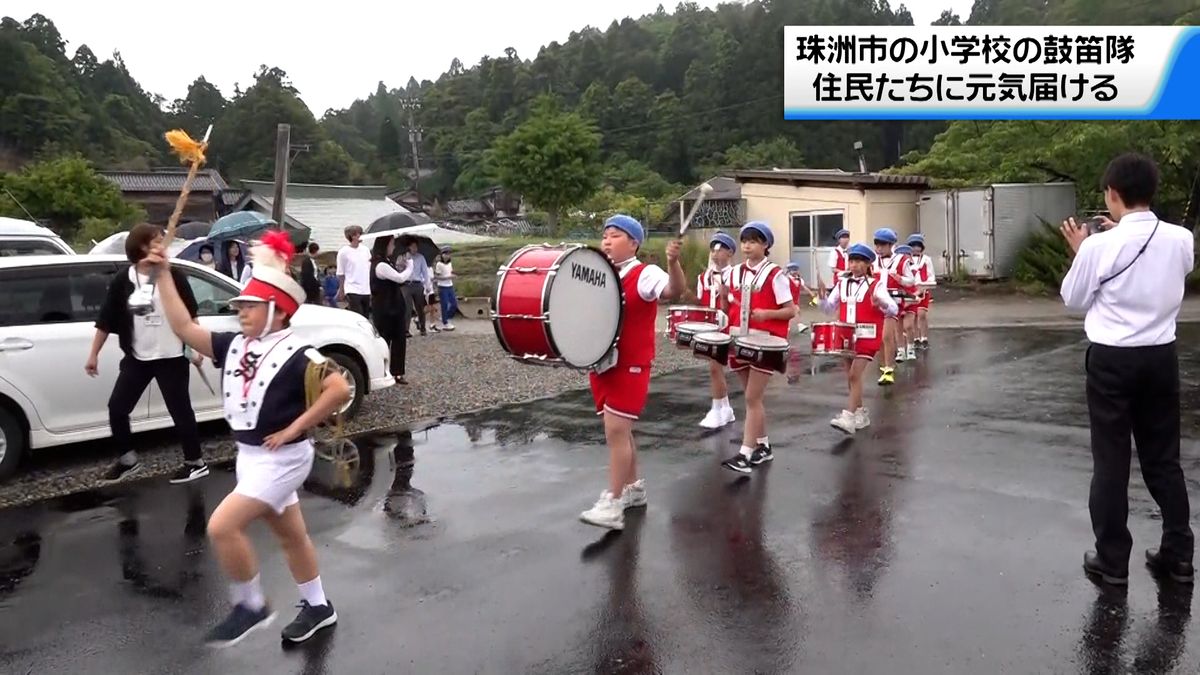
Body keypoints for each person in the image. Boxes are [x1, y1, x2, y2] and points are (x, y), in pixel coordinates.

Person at [151, 230, 349, 645]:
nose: (240, 311)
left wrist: (296, 427)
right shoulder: (234, 345)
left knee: (222, 527)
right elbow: (184, 326)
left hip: (284, 458)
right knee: (291, 535)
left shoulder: (300, 354)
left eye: (250, 306)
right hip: (251, 456)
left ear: (277, 310)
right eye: (239, 305)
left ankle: (250, 605)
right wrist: (164, 274)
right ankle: (318, 607)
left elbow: (339, 389)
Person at [1059, 152, 1195, 586]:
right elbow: (1172, 266)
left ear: (1112, 194)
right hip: (1160, 356)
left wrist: (1083, 251)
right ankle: (1178, 553)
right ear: (1150, 191)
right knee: (1163, 459)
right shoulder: (1180, 238)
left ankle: (1112, 560)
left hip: (1112, 361)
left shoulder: (1099, 245)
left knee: (1112, 461)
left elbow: (1074, 300)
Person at [579, 215, 686, 531]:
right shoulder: (602, 273)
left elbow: (674, 290)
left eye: (615, 235)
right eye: (605, 236)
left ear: (634, 243)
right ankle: (633, 489)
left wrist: (674, 262)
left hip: (631, 363)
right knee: (619, 431)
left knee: (615, 431)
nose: (607, 241)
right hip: (602, 363)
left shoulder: (645, 273)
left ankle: (612, 503)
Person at [88, 223, 208, 485]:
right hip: (138, 357)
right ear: (142, 246)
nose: (162, 244)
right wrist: (93, 354)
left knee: (180, 410)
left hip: (171, 356)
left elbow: (191, 316)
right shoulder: (124, 280)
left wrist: (197, 347)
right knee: (117, 408)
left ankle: (195, 462)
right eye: (157, 240)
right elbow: (106, 320)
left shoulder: (173, 275)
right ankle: (128, 460)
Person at [718, 221, 795, 475]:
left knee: (752, 398)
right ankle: (763, 445)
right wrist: (722, 301)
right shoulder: (733, 272)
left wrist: (767, 314)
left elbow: (791, 310)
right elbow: (727, 301)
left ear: (765, 245)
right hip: (739, 339)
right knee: (753, 399)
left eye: (753, 241)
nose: (747, 245)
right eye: (744, 241)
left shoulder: (776, 274)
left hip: (767, 343)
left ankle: (745, 453)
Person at [817, 243, 898, 434]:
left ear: (868, 263)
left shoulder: (876, 285)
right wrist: (821, 299)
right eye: (852, 261)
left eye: (859, 261)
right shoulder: (842, 284)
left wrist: (882, 303)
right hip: (846, 336)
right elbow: (829, 309)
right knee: (852, 377)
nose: (854, 265)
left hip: (867, 336)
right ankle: (860, 413)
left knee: (854, 375)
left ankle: (849, 416)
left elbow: (894, 309)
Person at [695, 231, 736, 430]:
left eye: (719, 249)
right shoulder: (703, 277)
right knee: (714, 368)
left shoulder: (737, 275)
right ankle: (723, 408)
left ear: (730, 253)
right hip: (708, 326)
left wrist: (725, 298)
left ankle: (719, 408)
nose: (715, 254)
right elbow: (700, 301)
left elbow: (737, 303)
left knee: (715, 367)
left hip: (727, 325)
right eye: (712, 249)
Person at [871, 228, 913, 383]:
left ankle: (889, 369)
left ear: (891, 245)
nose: (879, 248)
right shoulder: (873, 261)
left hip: (893, 301)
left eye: (882, 245)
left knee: (887, 335)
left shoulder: (901, 260)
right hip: (877, 301)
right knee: (879, 338)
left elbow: (911, 281)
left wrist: (900, 279)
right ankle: (884, 366)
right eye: (877, 244)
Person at [370, 235, 412, 384]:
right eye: (392, 244)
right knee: (384, 341)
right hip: (385, 309)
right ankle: (382, 371)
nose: (393, 247)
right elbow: (400, 278)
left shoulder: (386, 262)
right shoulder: (380, 265)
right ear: (385, 245)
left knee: (399, 340)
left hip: (393, 307)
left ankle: (397, 372)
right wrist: (410, 266)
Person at [906, 234, 937, 350]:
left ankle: (924, 337)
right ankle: (915, 338)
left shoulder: (926, 259)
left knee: (921, 315)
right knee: (912, 315)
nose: (915, 248)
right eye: (913, 246)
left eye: (918, 245)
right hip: (912, 290)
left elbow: (931, 275)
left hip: (923, 289)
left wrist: (926, 285)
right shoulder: (906, 260)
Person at [336, 226, 372, 318]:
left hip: (366, 289)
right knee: (358, 315)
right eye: (358, 234)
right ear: (352, 236)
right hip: (352, 288)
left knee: (366, 316)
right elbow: (341, 272)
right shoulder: (343, 252)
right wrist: (341, 290)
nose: (360, 236)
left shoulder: (365, 250)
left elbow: (369, 267)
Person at [893, 244, 919, 361]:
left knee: (908, 326)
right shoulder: (894, 271)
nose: (904, 257)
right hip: (898, 301)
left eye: (907, 255)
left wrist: (914, 297)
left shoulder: (914, 269)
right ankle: (900, 350)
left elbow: (919, 286)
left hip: (911, 300)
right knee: (898, 327)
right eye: (901, 255)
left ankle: (910, 348)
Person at [402, 239, 430, 336]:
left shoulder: (420, 257)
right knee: (407, 307)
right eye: (412, 246)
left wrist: (427, 285)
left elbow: (425, 272)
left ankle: (422, 327)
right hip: (406, 284)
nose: (414, 249)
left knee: (420, 307)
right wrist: (404, 263)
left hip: (417, 283)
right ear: (409, 247)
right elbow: (399, 269)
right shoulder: (404, 257)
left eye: (416, 247)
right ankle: (406, 329)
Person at [434, 246, 458, 331]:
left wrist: (453, 275)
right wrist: (448, 277)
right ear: (442, 255)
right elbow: (437, 277)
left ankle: (446, 317)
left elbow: (450, 272)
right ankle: (445, 322)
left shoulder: (450, 263)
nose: (447, 256)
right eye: (445, 254)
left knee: (454, 304)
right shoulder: (439, 264)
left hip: (450, 286)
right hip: (442, 286)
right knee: (444, 305)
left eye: (448, 254)